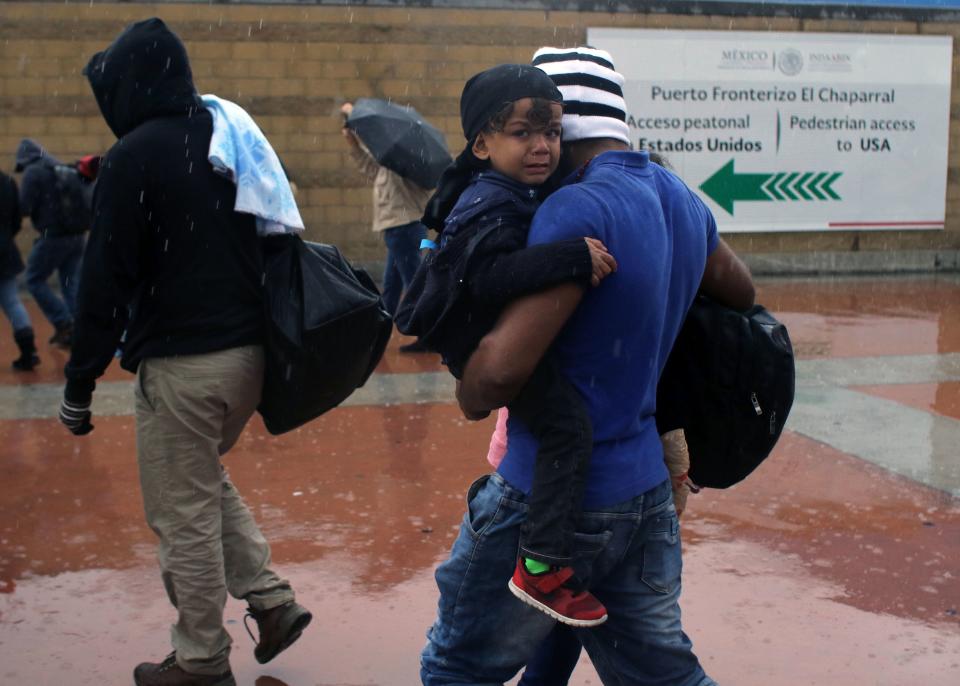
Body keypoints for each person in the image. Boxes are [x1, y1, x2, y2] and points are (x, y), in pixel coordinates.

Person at [420, 47, 755, 686]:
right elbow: (740, 289)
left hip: (546, 495)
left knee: (459, 667)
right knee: (662, 674)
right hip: (645, 493)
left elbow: (496, 377)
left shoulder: (574, 209)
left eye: (547, 128)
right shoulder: (677, 197)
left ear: (563, 124)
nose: (539, 144)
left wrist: (467, 388)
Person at [56, 18, 310, 686]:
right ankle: (272, 601)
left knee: (181, 515)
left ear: (130, 86)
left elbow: (102, 283)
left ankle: (200, 661)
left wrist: (79, 383)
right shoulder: (230, 139)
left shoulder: (135, 156)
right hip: (247, 359)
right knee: (198, 486)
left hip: (184, 366)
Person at [396, 64, 618, 626]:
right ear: (482, 143)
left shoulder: (509, 189)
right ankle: (540, 566)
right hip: (480, 346)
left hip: (490, 338)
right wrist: (571, 257)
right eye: (523, 134)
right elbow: (488, 278)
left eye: (552, 133)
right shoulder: (490, 201)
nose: (542, 146)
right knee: (567, 429)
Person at [340, 101, 432, 352]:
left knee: (413, 282)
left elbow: (380, 161)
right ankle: (378, 330)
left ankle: (428, 333)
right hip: (396, 229)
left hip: (405, 228)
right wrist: (353, 144)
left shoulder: (408, 165)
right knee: (392, 286)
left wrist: (356, 124)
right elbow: (370, 166)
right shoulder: (390, 163)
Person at [14, 138, 88, 348]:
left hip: (53, 236)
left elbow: (24, 208)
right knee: (69, 284)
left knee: (34, 279)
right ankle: (79, 329)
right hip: (77, 236)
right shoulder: (62, 168)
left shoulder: (33, 172)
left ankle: (63, 322)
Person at [0, 169, 39, 371]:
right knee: (13, 302)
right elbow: (17, 218)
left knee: (12, 302)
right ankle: (29, 351)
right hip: (5, 251)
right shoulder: (7, 181)